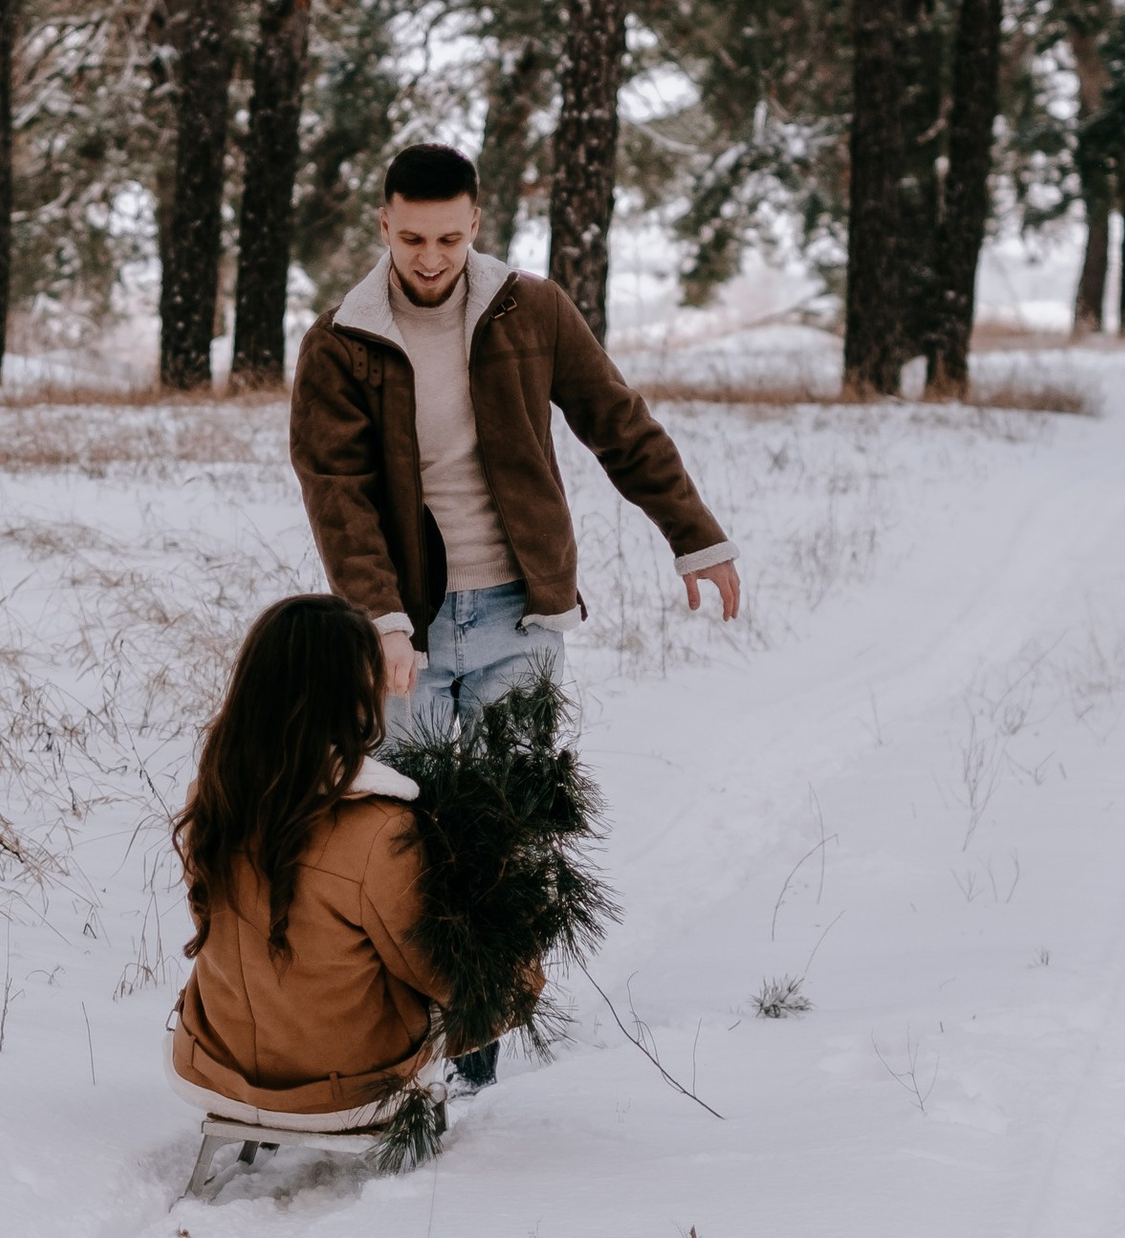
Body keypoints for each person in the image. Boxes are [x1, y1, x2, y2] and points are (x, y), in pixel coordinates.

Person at [288, 139, 739, 1084]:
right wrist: (381, 620)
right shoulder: (341, 341)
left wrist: (694, 534)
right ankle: (399, 1035)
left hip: (517, 616)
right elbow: (338, 492)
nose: (430, 257)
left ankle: (482, 1031)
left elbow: (617, 421)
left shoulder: (529, 310)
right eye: (412, 237)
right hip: (404, 630)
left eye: (449, 238)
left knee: (505, 830)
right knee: (398, 833)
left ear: (477, 224)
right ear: (383, 224)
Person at [168, 592, 471, 1134]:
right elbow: (431, 970)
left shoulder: (212, 797)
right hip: (345, 1090)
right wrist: (511, 965)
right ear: (349, 693)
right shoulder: (380, 826)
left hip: (214, 1068)